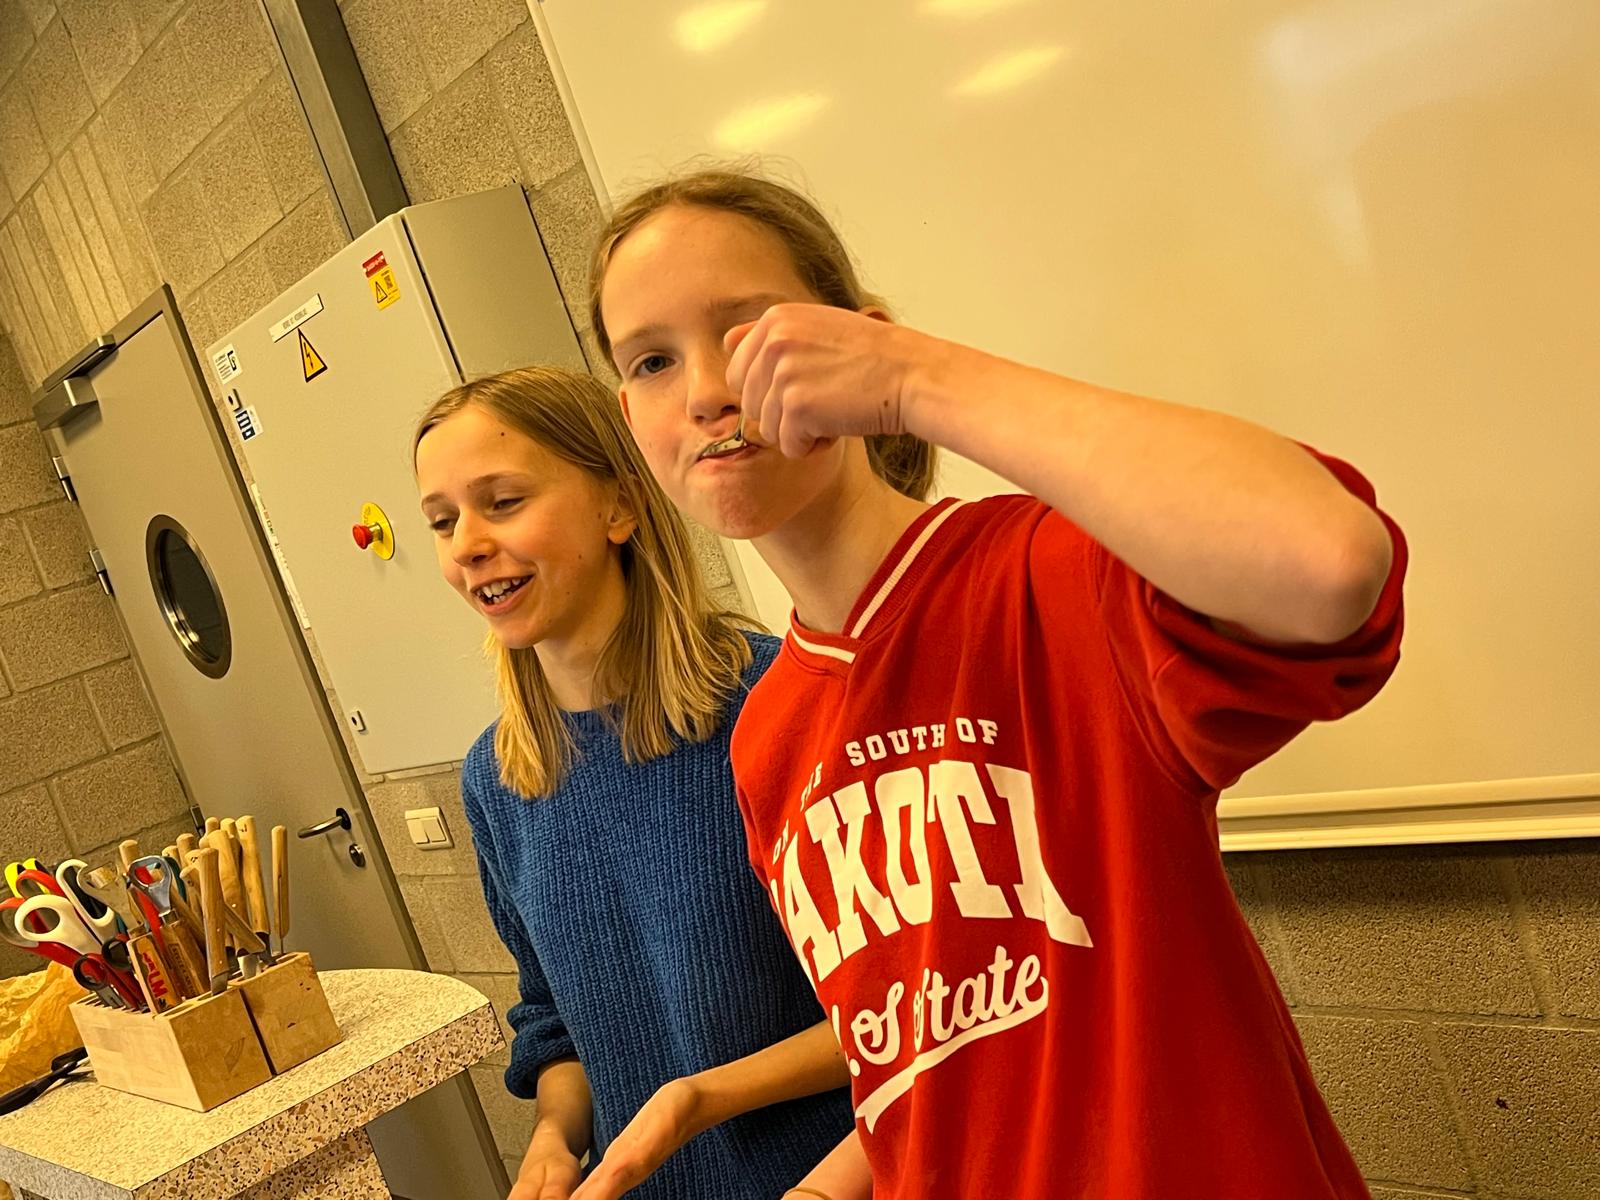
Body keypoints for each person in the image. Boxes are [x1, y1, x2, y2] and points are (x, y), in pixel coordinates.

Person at [591, 168, 1407, 1199]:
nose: (706, 388)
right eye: (653, 361)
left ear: (857, 340)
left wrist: (914, 380)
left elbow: (1331, 559)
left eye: (748, 332)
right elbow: (932, 1056)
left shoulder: (1051, 578)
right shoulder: (767, 738)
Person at [412, 366, 855, 1200]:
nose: (465, 544)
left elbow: (901, 999)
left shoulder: (776, 703)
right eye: (442, 521)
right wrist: (555, 1136)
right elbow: (553, 1020)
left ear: (620, 505)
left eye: (502, 502)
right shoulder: (498, 779)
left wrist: (702, 1098)